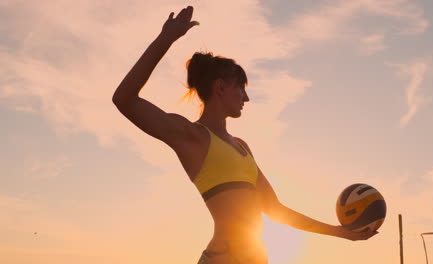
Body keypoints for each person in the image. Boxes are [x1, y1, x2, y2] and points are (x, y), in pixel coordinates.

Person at [112, 6, 377, 264]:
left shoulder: (242, 147)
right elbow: (124, 98)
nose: (246, 98)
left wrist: (341, 233)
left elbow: (275, 211)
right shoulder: (192, 137)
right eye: (241, 88)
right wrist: (166, 38)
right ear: (221, 88)